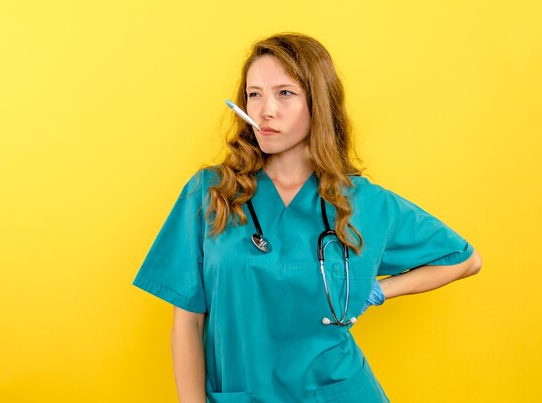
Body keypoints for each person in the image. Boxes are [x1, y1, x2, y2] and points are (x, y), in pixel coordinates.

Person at [132, 32, 482, 403]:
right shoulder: (211, 193)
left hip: (338, 392)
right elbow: (188, 320)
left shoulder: (363, 202)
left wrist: (379, 292)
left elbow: (465, 259)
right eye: (254, 94)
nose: (265, 110)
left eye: (285, 93)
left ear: (319, 104)